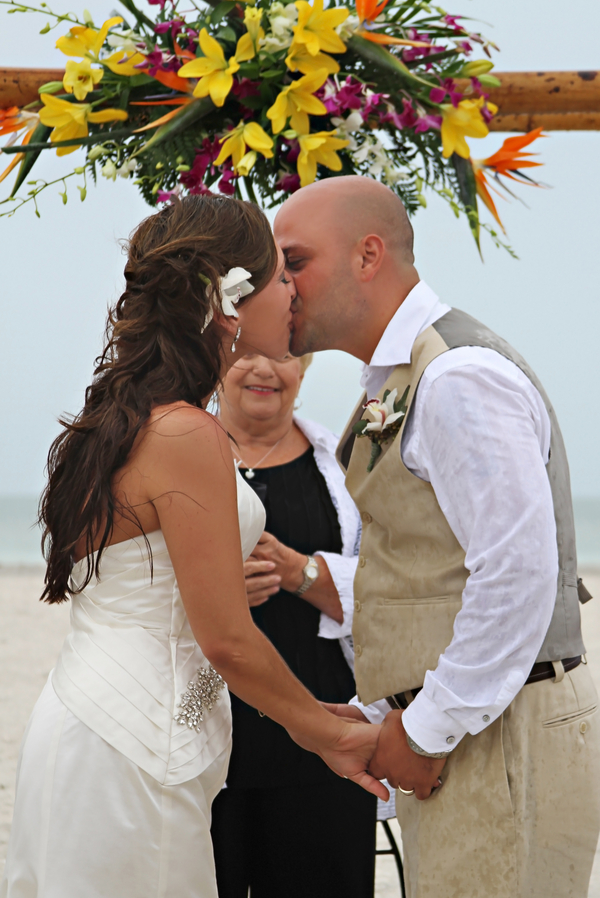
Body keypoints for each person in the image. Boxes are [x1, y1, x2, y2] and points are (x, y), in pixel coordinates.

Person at [0, 195, 387, 898]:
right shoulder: (186, 434)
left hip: (105, 720)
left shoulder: (133, 420)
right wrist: (327, 735)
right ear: (227, 299)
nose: (293, 291)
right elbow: (227, 643)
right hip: (137, 745)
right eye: (280, 277)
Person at [274, 175, 600, 898]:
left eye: (294, 261)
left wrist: (424, 731)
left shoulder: (456, 378)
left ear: (367, 255)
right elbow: (432, 574)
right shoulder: (402, 375)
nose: (279, 284)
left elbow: (518, 575)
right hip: (471, 728)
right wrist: (390, 712)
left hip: (502, 737)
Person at [211, 352, 377, 898]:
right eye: (244, 355)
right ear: (215, 362)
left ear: (303, 368)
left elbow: (391, 584)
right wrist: (215, 589)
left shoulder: (346, 465)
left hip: (321, 737)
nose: (263, 370)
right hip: (207, 742)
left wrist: (301, 571)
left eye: (281, 356)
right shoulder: (186, 457)